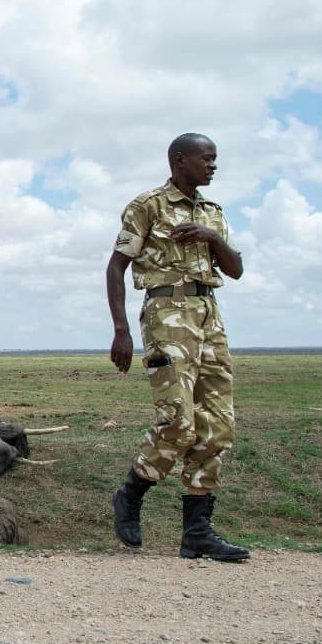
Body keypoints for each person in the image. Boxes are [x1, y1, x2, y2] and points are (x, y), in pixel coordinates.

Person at [105, 132, 249, 561]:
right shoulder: (147, 205)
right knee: (178, 422)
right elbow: (116, 267)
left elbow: (236, 270)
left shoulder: (213, 212)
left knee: (218, 425)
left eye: (215, 159)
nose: (213, 166)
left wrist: (212, 237)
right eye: (207, 158)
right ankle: (130, 495)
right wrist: (121, 330)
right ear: (179, 160)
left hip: (209, 316)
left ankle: (197, 532)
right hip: (167, 314)